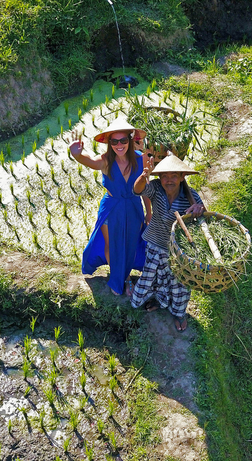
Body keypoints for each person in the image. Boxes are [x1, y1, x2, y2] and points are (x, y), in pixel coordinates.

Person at [69, 118, 151, 296]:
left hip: (133, 207)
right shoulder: (106, 161)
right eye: (114, 141)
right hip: (112, 207)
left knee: (130, 244)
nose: (119, 145)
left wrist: (149, 213)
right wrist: (77, 155)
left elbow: (145, 188)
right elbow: (90, 161)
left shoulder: (141, 159)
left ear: (130, 140)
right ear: (109, 143)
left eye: (123, 140)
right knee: (111, 243)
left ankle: (127, 277)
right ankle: (116, 277)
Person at [131, 154, 205, 332]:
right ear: (159, 178)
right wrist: (144, 175)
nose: (169, 180)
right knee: (152, 277)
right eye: (165, 176)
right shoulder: (155, 188)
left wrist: (199, 209)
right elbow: (137, 190)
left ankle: (179, 312)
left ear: (182, 177)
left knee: (179, 282)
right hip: (155, 242)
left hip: (177, 249)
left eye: (174, 176)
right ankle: (158, 300)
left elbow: (203, 214)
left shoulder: (191, 196)